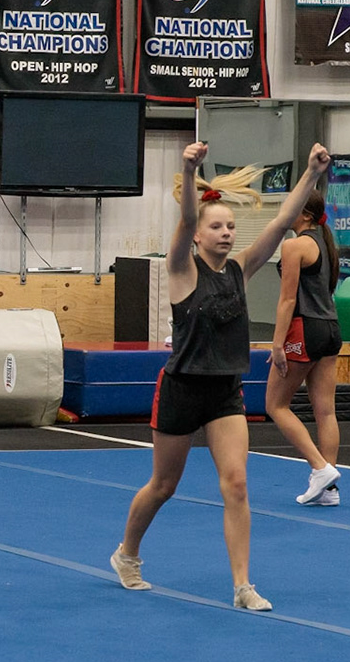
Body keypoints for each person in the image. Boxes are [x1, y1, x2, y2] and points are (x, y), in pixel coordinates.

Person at [109, 141, 330, 612]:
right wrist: (189, 170)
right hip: (182, 389)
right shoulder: (181, 270)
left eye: (230, 226)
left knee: (237, 484)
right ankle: (127, 553)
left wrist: (311, 174)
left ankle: (243, 585)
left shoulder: (239, 269)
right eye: (217, 227)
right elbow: (187, 217)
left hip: (225, 392)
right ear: (197, 235)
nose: (226, 233)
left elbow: (280, 223)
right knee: (163, 486)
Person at [265, 192, 344, 506]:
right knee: (326, 411)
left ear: (306, 215)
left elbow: (287, 300)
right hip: (330, 328)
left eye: (291, 207)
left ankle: (320, 468)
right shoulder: (325, 244)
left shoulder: (294, 246)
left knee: (275, 405)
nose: (285, 212)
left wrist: (277, 343)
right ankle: (329, 490)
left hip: (305, 327)